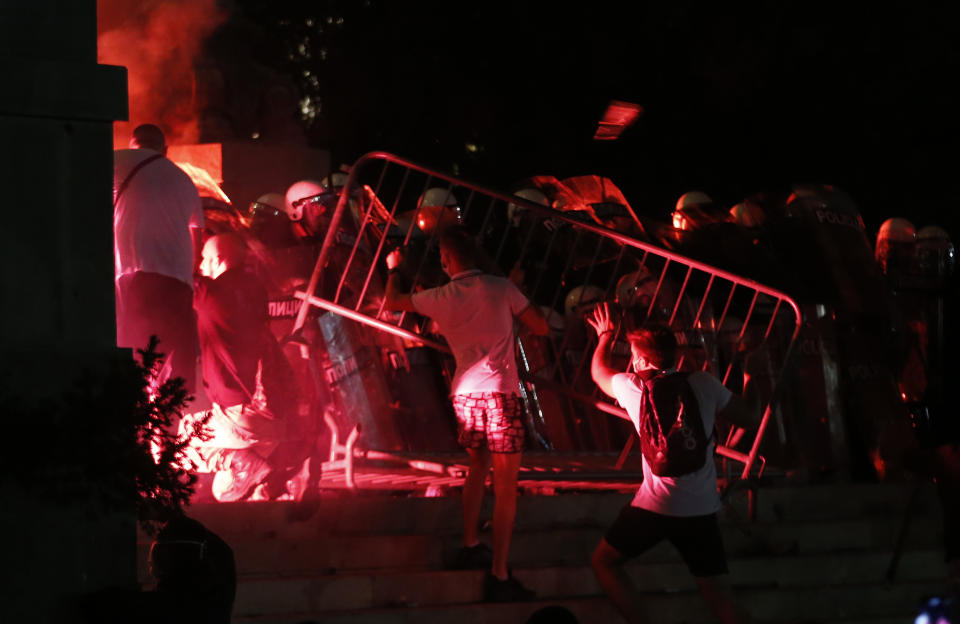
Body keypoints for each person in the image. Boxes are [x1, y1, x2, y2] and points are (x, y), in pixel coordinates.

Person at [383, 225, 549, 602]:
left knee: (477, 467)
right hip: (501, 394)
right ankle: (500, 575)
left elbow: (393, 301)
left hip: (465, 395)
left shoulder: (440, 296)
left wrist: (394, 267)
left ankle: (470, 542)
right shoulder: (500, 287)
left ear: (446, 261)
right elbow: (540, 325)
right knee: (506, 486)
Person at [586, 302, 761, 624]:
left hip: (654, 507)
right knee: (722, 602)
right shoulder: (702, 384)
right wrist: (753, 371)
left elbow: (598, 373)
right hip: (701, 510)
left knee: (604, 562)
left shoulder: (632, 387)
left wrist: (605, 337)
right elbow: (749, 416)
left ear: (641, 360)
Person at [180, 233, 309, 502]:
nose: (201, 266)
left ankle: (243, 460)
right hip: (273, 416)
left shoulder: (210, 294)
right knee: (224, 490)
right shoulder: (256, 290)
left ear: (219, 260)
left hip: (242, 417)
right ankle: (273, 487)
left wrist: (191, 232)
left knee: (181, 437)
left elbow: (176, 275)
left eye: (204, 259)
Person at [114, 123, 204, 392]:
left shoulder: (116, 161)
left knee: (136, 356)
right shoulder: (183, 179)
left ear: (133, 143)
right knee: (174, 365)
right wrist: (193, 271)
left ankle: (137, 424)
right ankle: (169, 429)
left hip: (134, 275)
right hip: (177, 282)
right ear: (165, 150)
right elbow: (196, 229)